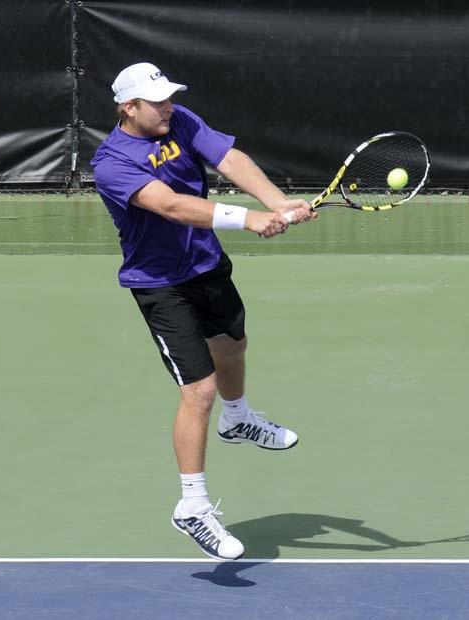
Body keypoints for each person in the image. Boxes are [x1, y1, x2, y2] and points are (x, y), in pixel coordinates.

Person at [91, 62, 315, 561]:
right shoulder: (111, 162)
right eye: (157, 101)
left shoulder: (181, 121)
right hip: (160, 285)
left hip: (205, 264)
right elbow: (169, 205)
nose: (168, 106)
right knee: (199, 388)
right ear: (129, 108)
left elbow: (229, 158)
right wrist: (249, 219)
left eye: (170, 97)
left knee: (233, 345)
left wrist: (277, 203)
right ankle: (192, 506)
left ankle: (238, 420)